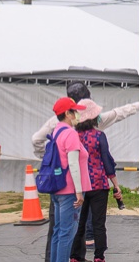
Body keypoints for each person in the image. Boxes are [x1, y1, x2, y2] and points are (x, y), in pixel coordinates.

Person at [32, 82, 139, 262]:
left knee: (60, 228)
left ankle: (72, 257)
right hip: (76, 185)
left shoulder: (55, 125)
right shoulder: (83, 128)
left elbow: (37, 140)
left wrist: (51, 161)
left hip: (58, 184)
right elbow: (117, 115)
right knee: (72, 229)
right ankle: (85, 256)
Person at [70, 99, 120, 262]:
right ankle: (99, 256)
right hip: (99, 184)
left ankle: (75, 256)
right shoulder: (99, 136)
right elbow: (107, 161)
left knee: (79, 222)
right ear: (93, 117)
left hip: (79, 186)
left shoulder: (73, 136)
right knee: (99, 223)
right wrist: (116, 185)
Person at [47, 96, 89, 262]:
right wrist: (79, 191)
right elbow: (73, 164)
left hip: (57, 188)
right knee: (67, 233)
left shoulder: (56, 131)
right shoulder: (70, 134)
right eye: (74, 111)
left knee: (58, 231)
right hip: (70, 190)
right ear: (67, 113)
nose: (77, 114)